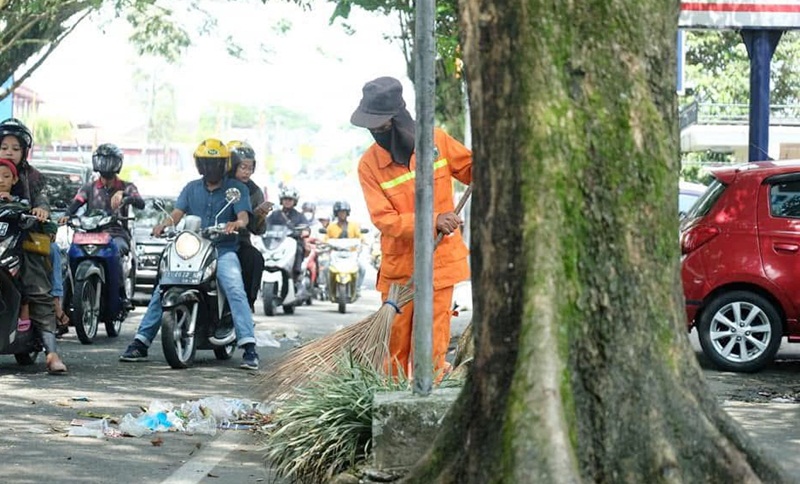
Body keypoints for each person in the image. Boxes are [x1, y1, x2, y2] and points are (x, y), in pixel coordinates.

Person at [351, 76, 472, 378]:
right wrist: (433, 220)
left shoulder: (437, 142)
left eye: (382, 127)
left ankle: (427, 398)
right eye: (372, 129)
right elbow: (385, 220)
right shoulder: (369, 165)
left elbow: (470, 170)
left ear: (399, 119)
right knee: (395, 344)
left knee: (432, 339)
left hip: (440, 264)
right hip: (400, 271)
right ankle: (392, 399)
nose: (377, 134)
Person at [120, 138, 260, 370]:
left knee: (235, 288)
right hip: (191, 247)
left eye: (215, 163)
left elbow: (244, 216)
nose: (210, 168)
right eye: (206, 163)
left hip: (221, 249)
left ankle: (249, 347)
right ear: (199, 165)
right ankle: (140, 342)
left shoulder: (236, 189)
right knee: (163, 287)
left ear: (224, 164)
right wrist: (163, 225)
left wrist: (236, 223)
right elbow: (176, 214)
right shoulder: (191, 188)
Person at [0, 118, 67, 374]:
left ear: (24, 151)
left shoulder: (34, 178)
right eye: (4, 146)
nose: (9, 152)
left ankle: (51, 353)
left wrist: (40, 210)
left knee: (38, 288)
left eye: (15, 148)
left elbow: (44, 203)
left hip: (24, 241)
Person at [59, 143, 145, 309]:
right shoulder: (89, 187)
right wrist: (66, 215)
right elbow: (76, 203)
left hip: (116, 234)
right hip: (90, 233)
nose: (105, 164)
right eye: (102, 160)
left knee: (117, 252)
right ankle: (68, 294)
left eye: (109, 160)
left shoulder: (127, 186)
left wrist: (126, 196)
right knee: (70, 255)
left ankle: (121, 294)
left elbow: (140, 202)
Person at [226, 140, 270, 311]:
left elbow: (258, 230)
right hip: (209, 239)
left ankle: (247, 306)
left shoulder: (254, 192)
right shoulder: (217, 184)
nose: (246, 172)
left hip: (238, 241)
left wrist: (259, 215)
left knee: (254, 259)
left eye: (250, 168)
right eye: (242, 167)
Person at [325, 200, 367, 294]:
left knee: (362, 269)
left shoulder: (354, 226)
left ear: (347, 213)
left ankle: (357, 289)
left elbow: (360, 237)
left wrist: (363, 242)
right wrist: (324, 244)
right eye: (340, 212)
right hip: (336, 254)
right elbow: (326, 239)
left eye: (344, 212)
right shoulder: (331, 227)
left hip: (351, 254)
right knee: (325, 268)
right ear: (336, 213)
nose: (342, 214)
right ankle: (328, 288)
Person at [266, 185, 306, 283]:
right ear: (281, 200)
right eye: (285, 199)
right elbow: (266, 225)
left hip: (292, 243)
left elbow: (306, 227)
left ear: (294, 201)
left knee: (299, 249)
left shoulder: (299, 216)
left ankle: (297, 276)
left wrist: (305, 231)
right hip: (275, 244)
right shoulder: (274, 215)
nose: (287, 201)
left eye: (290, 199)